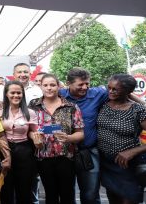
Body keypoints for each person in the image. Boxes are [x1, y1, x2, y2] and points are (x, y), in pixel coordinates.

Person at [29, 73, 84, 204]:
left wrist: (69, 138)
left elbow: (80, 133)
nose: (49, 88)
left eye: (52, 85)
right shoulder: (33, 105)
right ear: (40, 86)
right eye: (45, 85)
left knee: (68, 194)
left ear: (58, 86)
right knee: (50, 194)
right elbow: (29, 130)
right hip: (43, 157)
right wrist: (34, 137)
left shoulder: (71, 107)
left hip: (66, 157)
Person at [97, 74, 146, 204]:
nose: (110, 92)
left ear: (128, 91)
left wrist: (132, 152)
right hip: (106, 162)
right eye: (109, 88)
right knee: (113, 198)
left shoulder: (138, 110)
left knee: (129, 199)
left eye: (115, 89)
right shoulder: (103, 104)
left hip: (127, 164)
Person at [59, 67, 107, 204]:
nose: (85, 87)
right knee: (66, 193)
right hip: (64, 152)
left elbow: (123, 90)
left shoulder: (97, 93)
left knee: (91, 194)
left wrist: (144, 103)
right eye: (80, 84)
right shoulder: (58, 94)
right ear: (68, 83)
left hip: (89, 151)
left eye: (87, 84)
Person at [0, 81, 38, 204]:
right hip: (4, 150)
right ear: (6, 94)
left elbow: (34, 133)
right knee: (5, 188)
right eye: (12, 92)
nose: (16, 95)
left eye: (19, 93)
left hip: (24, 152)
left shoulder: (30, 113)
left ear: (23, 94)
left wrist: (37, 138)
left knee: (24, 189)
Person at [13, 62, 43, 204]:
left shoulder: (38, 90)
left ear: (30, 74)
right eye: (19, 72)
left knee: (31, 178)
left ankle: (34, 200)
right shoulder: (7, 89)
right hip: (14, 140)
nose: (22, 74)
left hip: (34, 138)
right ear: (14, 74)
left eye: (25, 72)